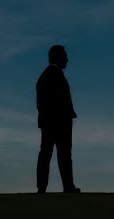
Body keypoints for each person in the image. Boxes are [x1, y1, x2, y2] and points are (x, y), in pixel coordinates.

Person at [36, 45, 80, 193]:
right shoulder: (50, 76)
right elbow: (47, 102)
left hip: (54, 121)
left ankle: (59, 186)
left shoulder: (49, 75)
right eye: (65, 56)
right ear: (58, 58)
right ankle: (60, 186)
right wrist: (64, 114)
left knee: (55, 154)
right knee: (57, 154)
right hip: (56, 122)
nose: (67, 59)